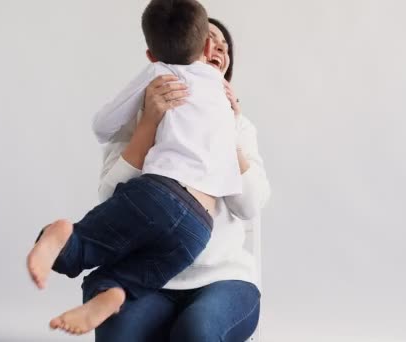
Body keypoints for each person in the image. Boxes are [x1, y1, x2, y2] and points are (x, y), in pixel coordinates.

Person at [26, 0, 243, 335]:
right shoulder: (226, 98)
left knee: (90, 244)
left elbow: (102, 126)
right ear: (205, 48)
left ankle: (67, 240)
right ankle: (115, 291)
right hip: (198, 226)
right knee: (140, 276)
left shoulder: (159, 74)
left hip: (158, 193)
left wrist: (145, 107)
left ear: (150, 55)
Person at [82, 17, 271, 342]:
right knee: (118, 332)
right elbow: (111, 200)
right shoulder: (137, 117)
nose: (216, 50)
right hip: (148, 278)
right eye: (205, 41)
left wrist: (226, 126)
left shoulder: (241, 128)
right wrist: (148, 125)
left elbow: (250, 205)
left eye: (223, 48)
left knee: (196, 332)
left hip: (223, 279)